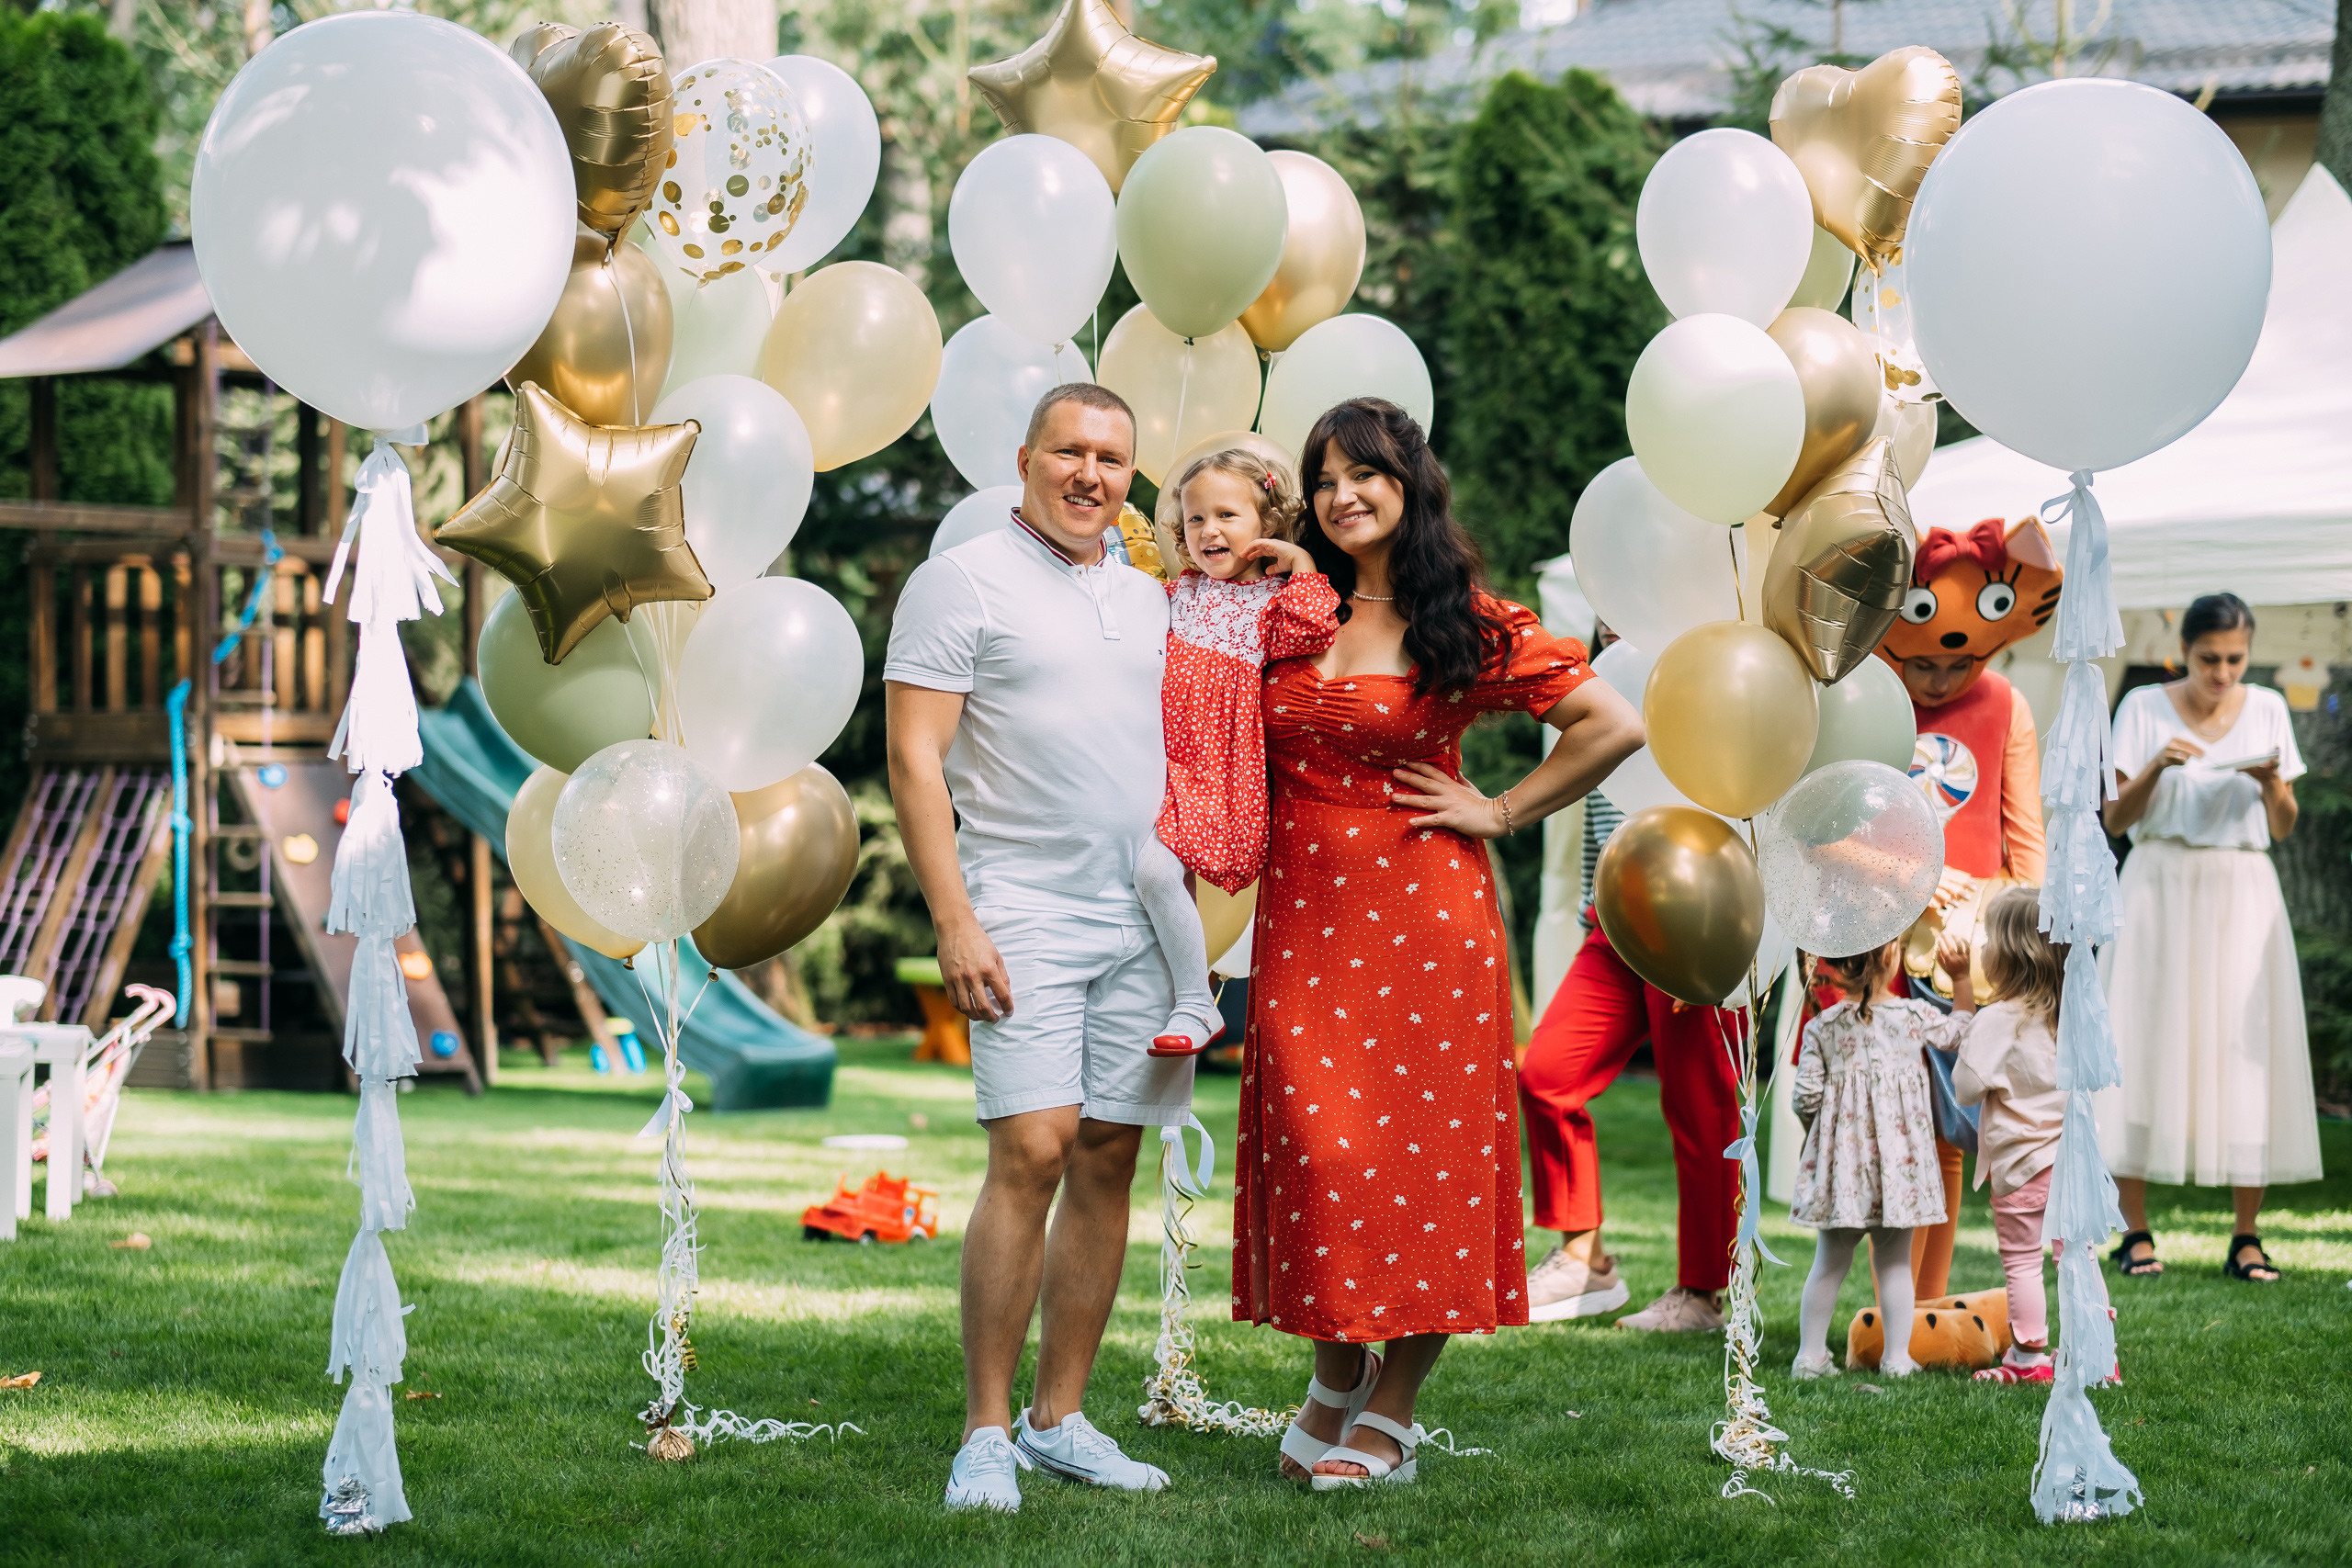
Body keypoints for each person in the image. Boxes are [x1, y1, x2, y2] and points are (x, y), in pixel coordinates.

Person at [1231, 399, 1644, 1487]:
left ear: (1410, 486)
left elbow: (1613, 724)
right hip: (1305, 922)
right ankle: (1333, 1374)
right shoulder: (1289, 607)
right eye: (1322, 480)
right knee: (1320, 1152)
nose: (1341, 496)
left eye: (1363, 475)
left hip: (1424, 919)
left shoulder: (1464, 618)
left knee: (1421, 1166)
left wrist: (1501, 811)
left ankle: (1392, 1411)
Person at [886, 383, 1191, 1513]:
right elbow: (916, 760)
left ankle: (1061, 1418)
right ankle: (983, 1431)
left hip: (1146, 916)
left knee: (1110, 1151)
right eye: (1069, 451)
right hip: (1020, 906)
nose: (1090, 475)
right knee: (1032, 1149)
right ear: (1024, 459)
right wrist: (954, 916)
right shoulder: (959, 581)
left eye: (1112, 458)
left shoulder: (1154, 595)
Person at [2097, 592, 2321, 1282]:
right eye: (2208, 659)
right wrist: (2160, 766)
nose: (2222, 672)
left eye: (2235, 659)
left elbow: (2283, 826)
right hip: (2159, 882)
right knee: (2143, 1038)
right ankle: (2135, 1232)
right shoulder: (2140, 709)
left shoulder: (2268, 709)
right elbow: (2113, 818)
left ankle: (2246, 1235)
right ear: (2183, 653)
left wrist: (2272, 781)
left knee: (2242, 1050)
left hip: (2242, 891)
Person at [1874, 513, 2060, 1298]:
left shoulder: (2007, 703)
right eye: (1921, 665)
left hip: (1970, 956)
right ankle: (1889, 1297)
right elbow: (1827, 825)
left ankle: (1924, 1301)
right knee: (1888, 1125)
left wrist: (2029, 950)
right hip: (1877, 947)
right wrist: (1913, 877)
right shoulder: (1866, 701)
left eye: (1962, 663)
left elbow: (2026, 837)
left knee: (1951, 1128)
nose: (1942, 681)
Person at [1517, 726, 1745, 1331]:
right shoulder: (1606, 664)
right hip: (1614, 917)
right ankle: (1582, 1258)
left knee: (1700, 1106)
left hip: (1702, 913)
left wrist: (1715, 933)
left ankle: (1703, 1294)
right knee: (1546, 1072)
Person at [1139, 445, 1340, 1060]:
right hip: (1156, 763)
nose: (1209, 531)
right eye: (1195, 520)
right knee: (1141, 882)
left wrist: (1300, 559)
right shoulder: (1182, 593)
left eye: (1227, 515)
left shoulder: (1270, 604)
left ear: (1267, 526)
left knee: (1152, 873)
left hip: (1217, 773)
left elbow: (1316, 626)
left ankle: (1197, 1002)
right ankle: (1173, 998)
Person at [1789, 933, 1973, 1379]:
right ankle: (1895, 1358)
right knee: (1893, 1264)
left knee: (1828, 1263)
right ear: (1892, 957)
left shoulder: (1823, 1026)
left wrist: (1824, 1140)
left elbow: (1805, 1098)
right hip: (1899, 1174)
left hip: (1843, 1173)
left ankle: (1809, 1357)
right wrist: (1962, 978)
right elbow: (1962, 1031)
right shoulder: (1912, 1017)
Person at [1950, 887, 2069, 1383]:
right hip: (2071, 1163)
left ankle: (2028, 1355)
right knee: (2076, 1258)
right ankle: (2097, 1352)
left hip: (2021, 1167)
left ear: (2006, 955)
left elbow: (1966, 1088)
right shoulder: (2070, 1015)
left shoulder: (1999, 1019)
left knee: (2023, 1261)